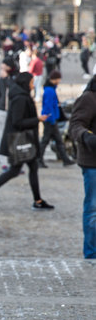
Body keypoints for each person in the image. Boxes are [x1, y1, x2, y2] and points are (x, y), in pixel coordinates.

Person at [0, 72, 54, 211]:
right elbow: (17, 121)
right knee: (14, 170)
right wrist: (38, 119)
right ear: (26, 83)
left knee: (32, 168)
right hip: (20, 141)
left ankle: (37, 200)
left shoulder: (21, 95)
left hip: (24, 141)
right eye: (31, 82)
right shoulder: (20, 98)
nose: (33, 85)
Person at [69, 70, 96, 258]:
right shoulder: (89, 98)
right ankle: (91, 253)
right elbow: (75, 125)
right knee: (93, 209)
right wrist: (87, 137)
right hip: (92, 162)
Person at [38, 70, 75, 168]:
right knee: (46, 141)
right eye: (58, 79)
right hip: (50, 119)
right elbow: (48, 106)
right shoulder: (50, 90)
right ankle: (39, 159)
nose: (59, 81)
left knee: (58, 140)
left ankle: (65, 159)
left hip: (51, 119)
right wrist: (51, 118)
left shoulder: (50, 89)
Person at [0, 57, 17, 170]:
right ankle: (3, 162)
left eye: (4, 66)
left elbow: (14, 88)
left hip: (12, 111)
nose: (1, 69)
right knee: (1, 137)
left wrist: (6, 78)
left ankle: (13, 162)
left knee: (12, 137)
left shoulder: (13, 77)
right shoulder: (2, 78)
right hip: (1, 110)